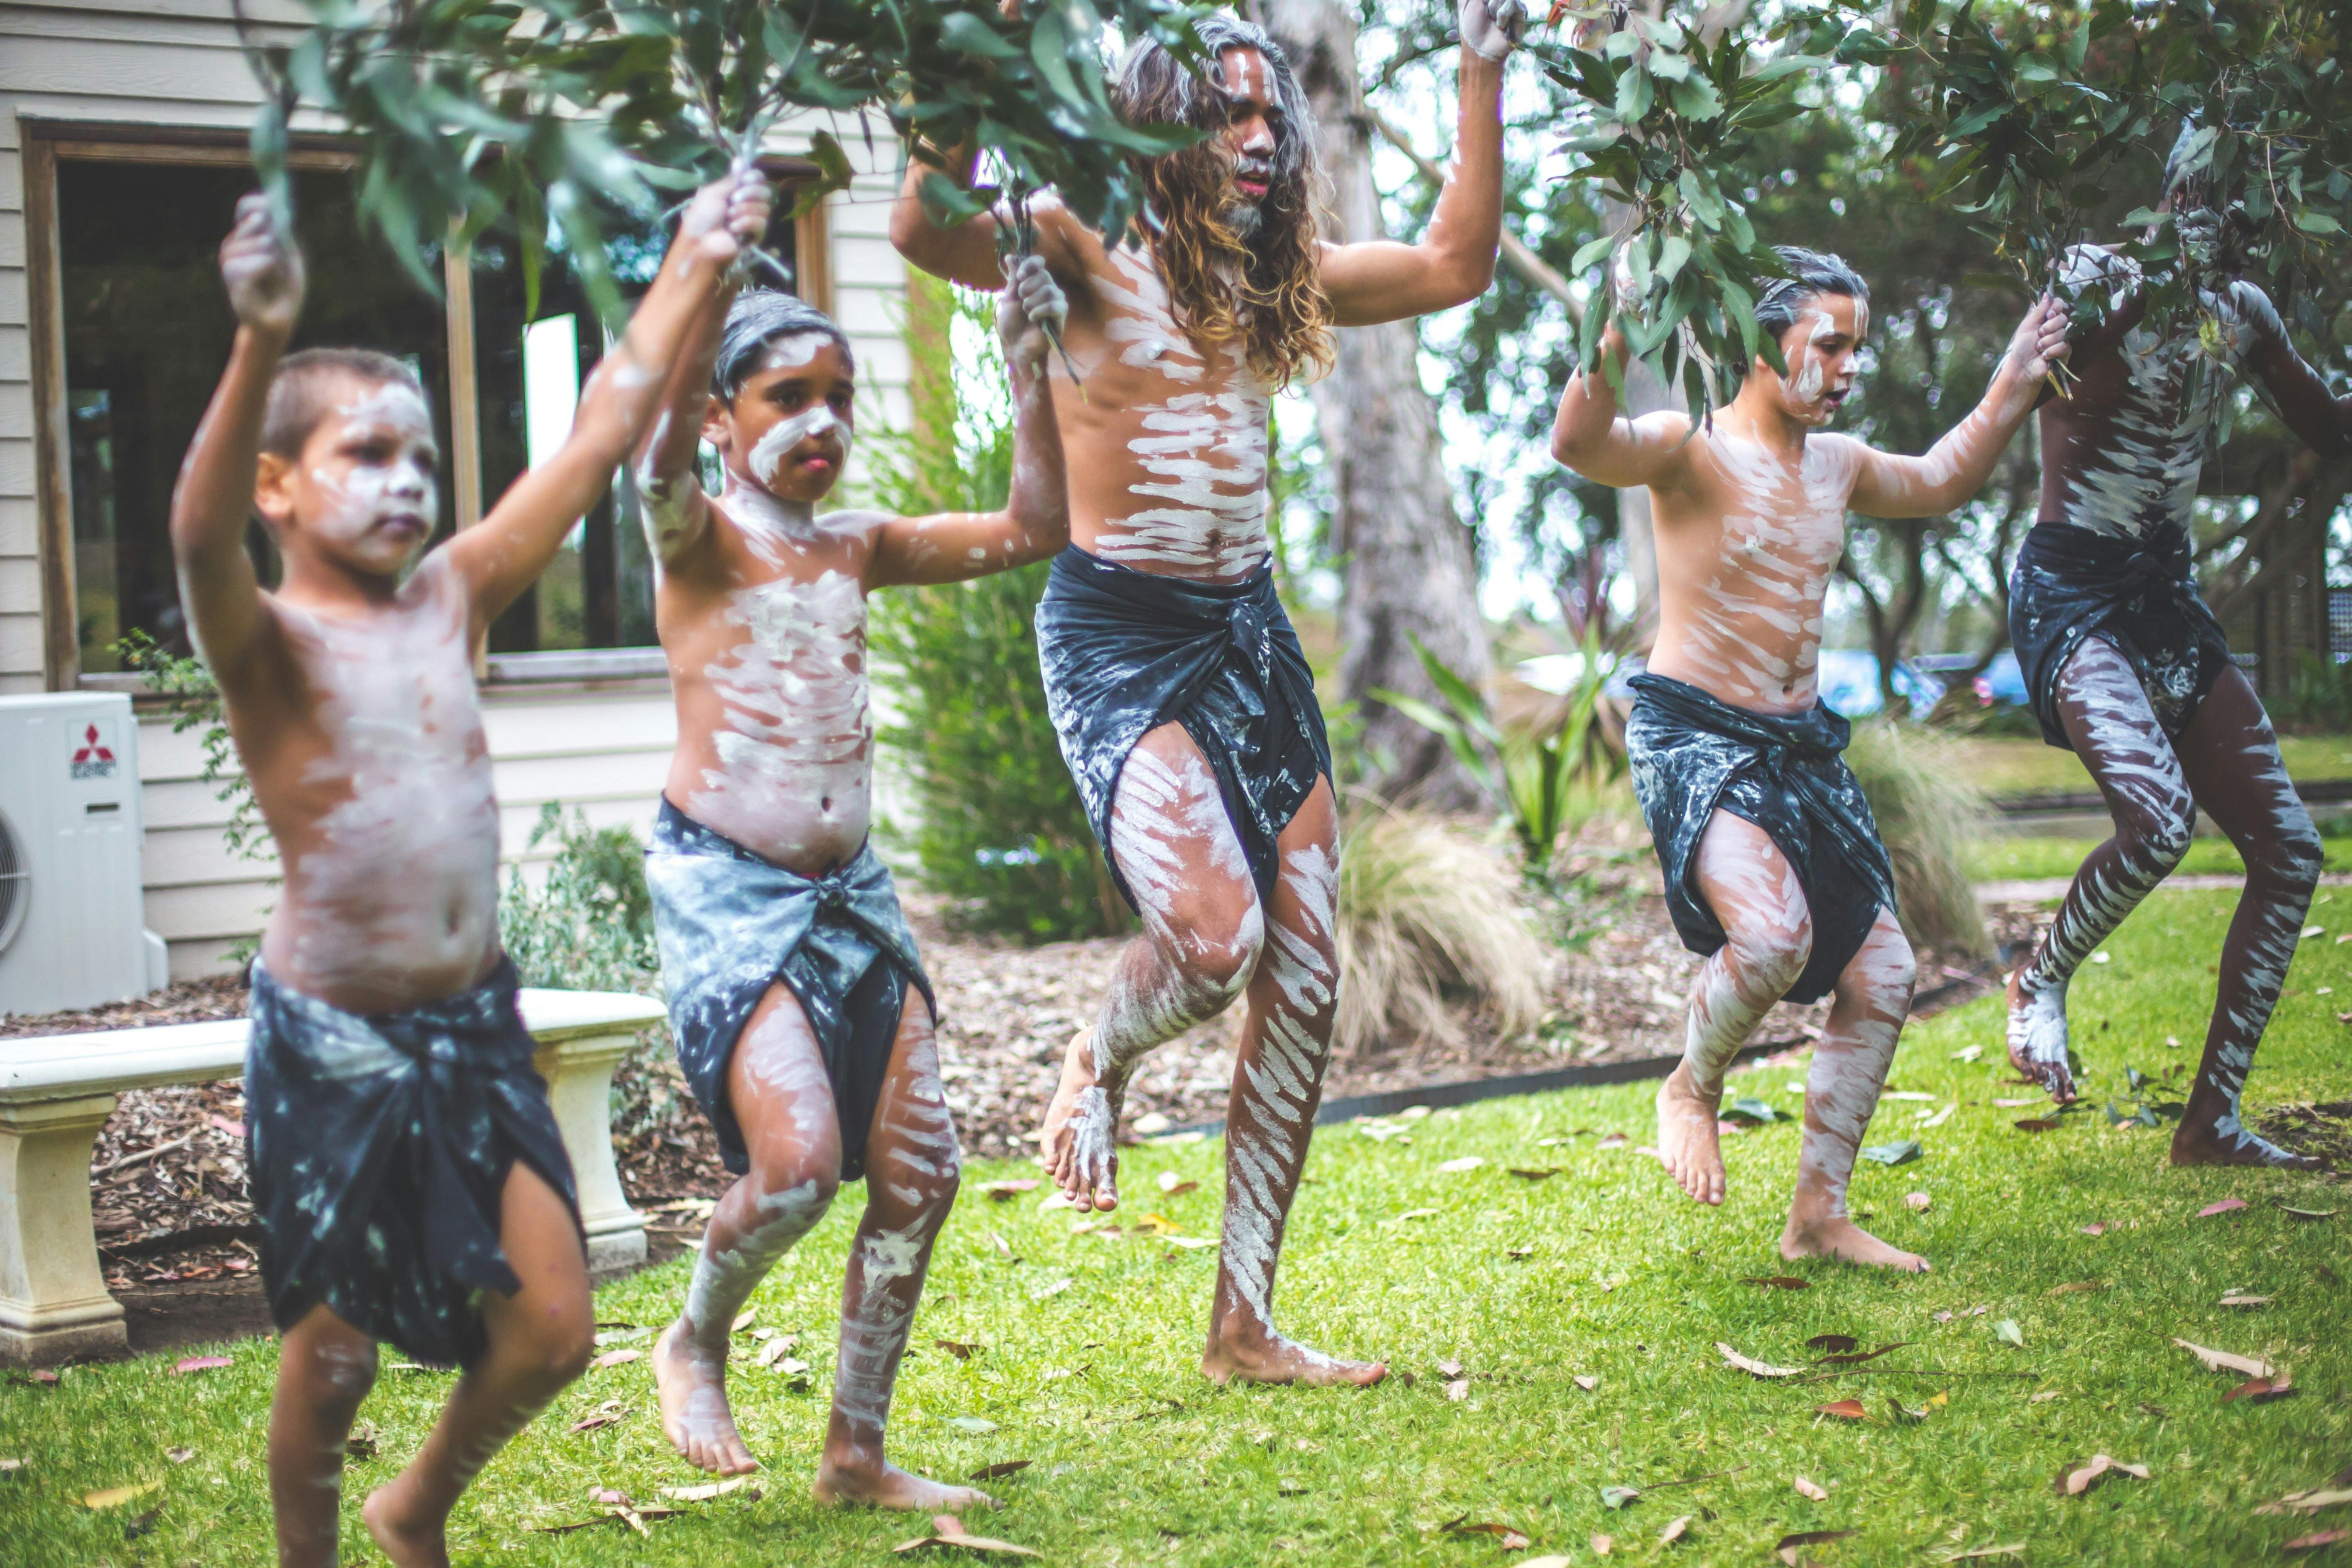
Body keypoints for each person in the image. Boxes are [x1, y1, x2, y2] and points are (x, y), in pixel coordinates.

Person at [888, 0, 1526, 1387]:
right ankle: (1095, 1051)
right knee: (1215, 941)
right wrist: (969, 58)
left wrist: (1478, 65)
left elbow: (1457, 263)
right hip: (1121, 634)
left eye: (1267, 114)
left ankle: (1244, 1324)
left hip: (1250, 635)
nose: (1251, 136)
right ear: (1154, 122)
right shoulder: (1075, 244)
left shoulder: (1264, 275)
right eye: (1219, 111)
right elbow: (922, 223)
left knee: (1302, 975)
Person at [171, 174, 767, 1568]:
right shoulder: (265, 644)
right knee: (330, 1366)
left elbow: (596, 429)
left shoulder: (450, 596)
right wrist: (258, 339)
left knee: (558, 1330)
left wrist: (691, 260)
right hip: (334, 1040)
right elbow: (195, 539)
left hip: (470, 1023)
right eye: (364, 454)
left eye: (421, 459)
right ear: (278, 484)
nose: (406, 482)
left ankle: (416, 1506)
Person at [633, 251, 1070, 1502]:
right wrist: (691, 286)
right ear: (721, 419)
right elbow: (651, 464)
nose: (821, 419)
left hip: (852, 892)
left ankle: (854, 1452)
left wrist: (1023, 365)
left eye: (842, 393)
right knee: (800, 1171)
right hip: (733, 889)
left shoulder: (852, 548)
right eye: (785, 395)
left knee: (924, 1171)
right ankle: (695, 1338)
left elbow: (1034, 529)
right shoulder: (698, 540)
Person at [1551, 248, 2071, 1270]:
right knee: (1775, 934)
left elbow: (1941, 480)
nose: (1845, 368)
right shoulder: (1685, 449)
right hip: (1696, 736)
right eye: (1829, 344)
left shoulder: (1838, 465)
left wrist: (2016, 373)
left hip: (1798, 744)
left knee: (1884, 972)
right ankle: (1689, 1086)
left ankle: (1818, 1216)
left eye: (1856, 350)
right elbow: (1577, 442)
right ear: (1761, 337)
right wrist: (1614, 324)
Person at [2004, 127, 2350, 1165]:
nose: (2229, 219)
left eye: (2249, 201)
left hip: (2166, 599)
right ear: (2173, 194)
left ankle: (2212, 1123)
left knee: (2290, 854)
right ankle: (2040, 976)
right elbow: (2052, 364)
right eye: (2209, 194)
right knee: (2158, 824)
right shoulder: (2098, 278)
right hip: (2073, 586)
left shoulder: (2244, 312)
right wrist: (2165, 272)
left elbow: (2328, 427)